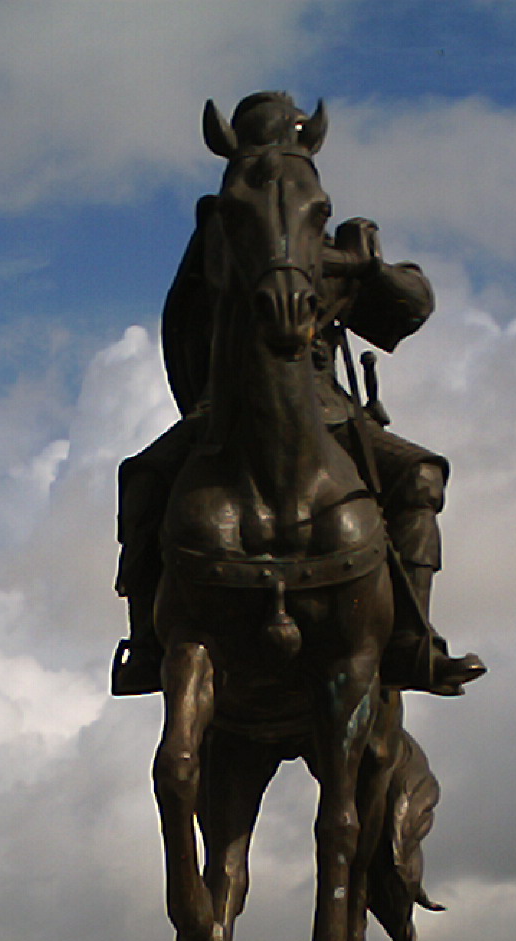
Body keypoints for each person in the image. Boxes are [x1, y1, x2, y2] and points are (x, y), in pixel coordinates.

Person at [110, 90, 486, 700]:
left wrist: (368, 269)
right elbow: (182, 324)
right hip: (229, 407)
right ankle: (147, 645)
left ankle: (414, 640)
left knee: (420, 476)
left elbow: (410, 309)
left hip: (327, 411)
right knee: (144, 478)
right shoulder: (220, 236)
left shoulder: (341, 242)